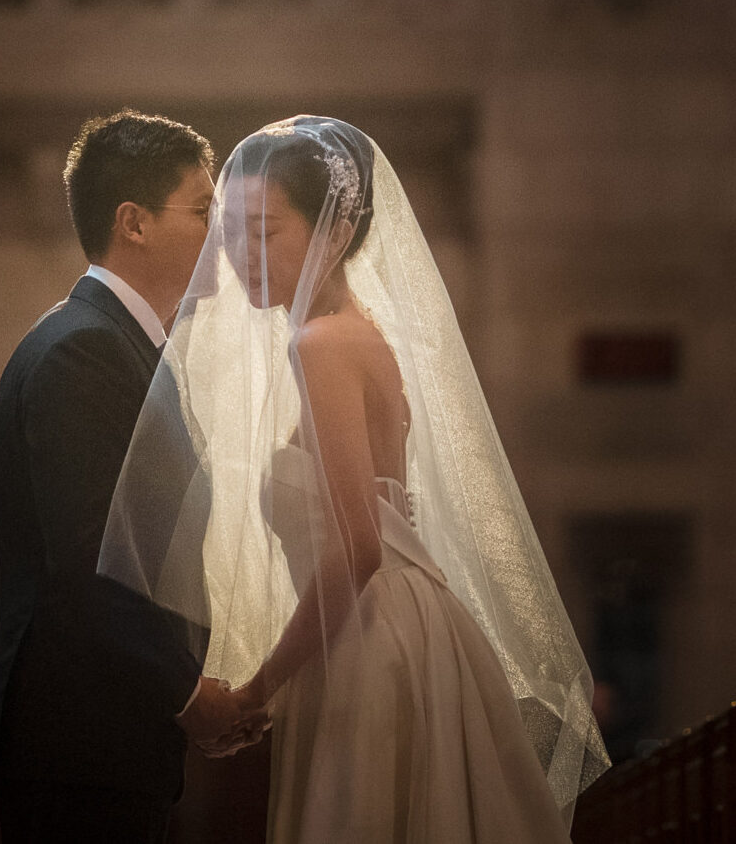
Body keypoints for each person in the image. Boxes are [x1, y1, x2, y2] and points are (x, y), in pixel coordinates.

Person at [100, 116, 610, 842]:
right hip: (392, 623)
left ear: (333, 232)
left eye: (265, 231)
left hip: (372, 639)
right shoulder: (355, 329)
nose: (242, 254)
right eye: (233, 231)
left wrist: (257, 688)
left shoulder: (320, 344)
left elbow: (359, 547)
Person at [0, 109, 266, 844]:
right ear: (133, 223)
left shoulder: (119, 345)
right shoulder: (85, 352)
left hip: (103, 741)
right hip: (77, 743)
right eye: (202, 213)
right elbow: (92, 561)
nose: (221, 237)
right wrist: (187, 692)